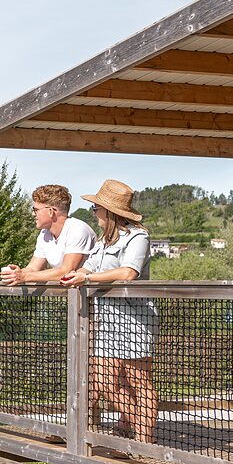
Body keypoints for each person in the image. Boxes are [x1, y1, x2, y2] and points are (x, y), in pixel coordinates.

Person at [60, 179, 159, 445]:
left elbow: (128, 273)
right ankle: (135, 427)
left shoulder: (139, 237)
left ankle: (143, 441)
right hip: (110, 321)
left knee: (138, 380)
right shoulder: (104, 241)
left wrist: (88, 280)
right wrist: (75, 274)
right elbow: (88, 267)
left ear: (110, 211)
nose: (93, 212)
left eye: (96, 208)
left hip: (135, 319)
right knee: (105, 380)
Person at [1, 184, 98, 286]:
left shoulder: (77, 229)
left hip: (93, 299)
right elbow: (33, 268)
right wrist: (16, 274)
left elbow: (66, 271)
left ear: (51, 212)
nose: (33, 214)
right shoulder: (44, 233)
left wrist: (24, 277)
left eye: (36, 210)